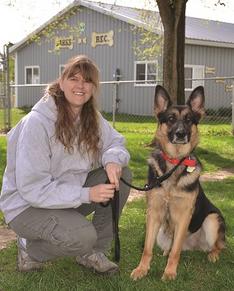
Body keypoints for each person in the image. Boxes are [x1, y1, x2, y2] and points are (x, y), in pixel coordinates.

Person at [0, 55, 131, 275]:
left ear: (93, 88)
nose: (81, 85)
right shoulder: (37, 123)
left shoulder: (91, 117)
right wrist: (87, 194)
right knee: (82, 236)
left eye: (87, 81)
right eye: (74, 78)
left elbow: (115, 142)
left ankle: (93, 253)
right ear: (61, 82)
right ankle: (29, 249)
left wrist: (112, 160)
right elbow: (33, 189)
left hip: (63, 196)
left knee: (123, 174)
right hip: (26, 205)